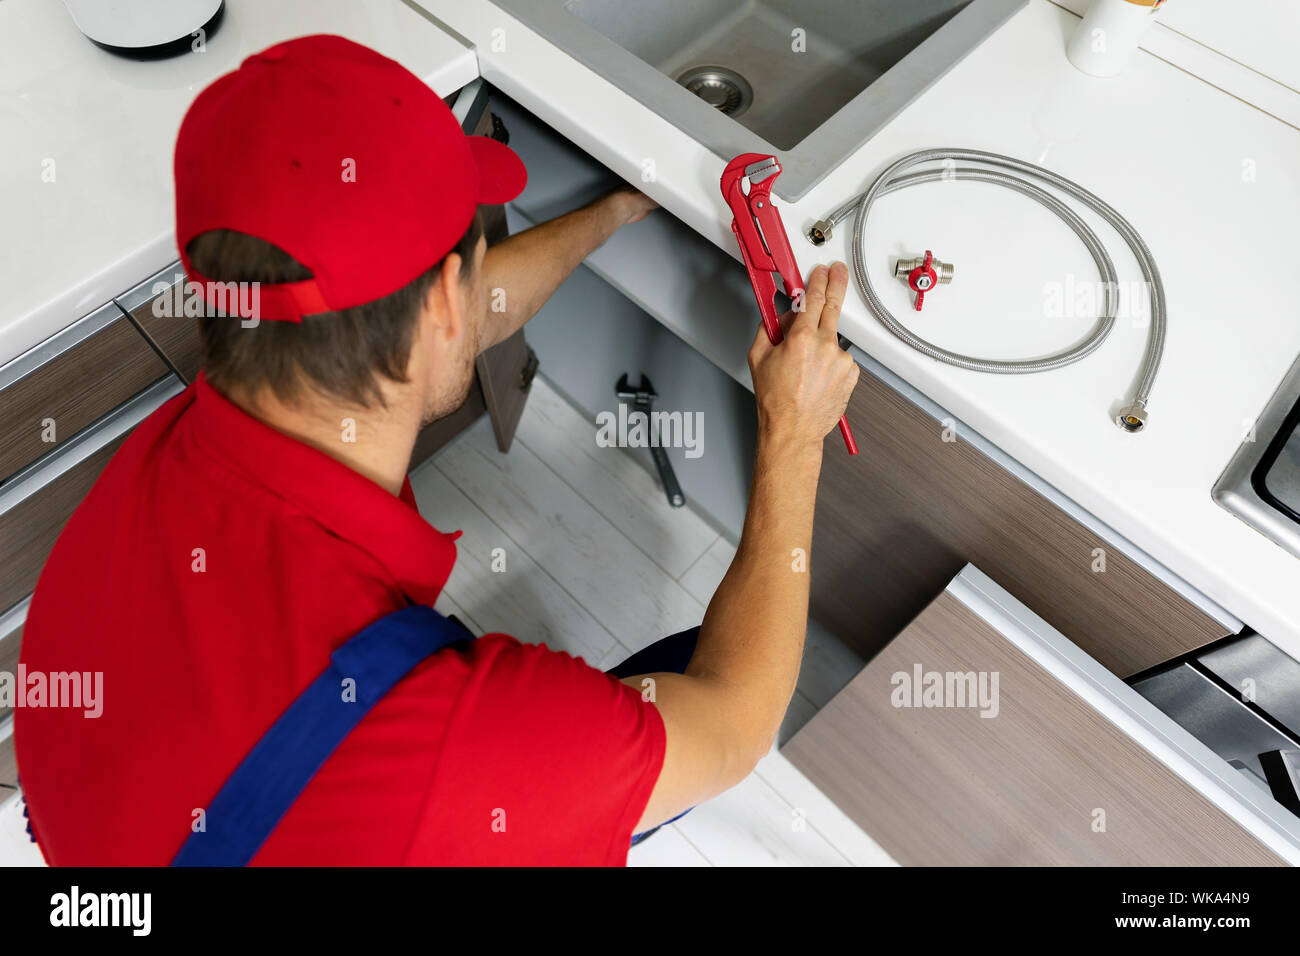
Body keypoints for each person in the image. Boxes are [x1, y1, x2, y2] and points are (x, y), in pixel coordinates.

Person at [15, 34, 857, 865]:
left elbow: (459, 314)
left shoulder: (162, 464)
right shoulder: (461, 753)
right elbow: (737, 720)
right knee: (697, 675)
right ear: (442, 307)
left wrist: (611, 213)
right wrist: (794, 433)